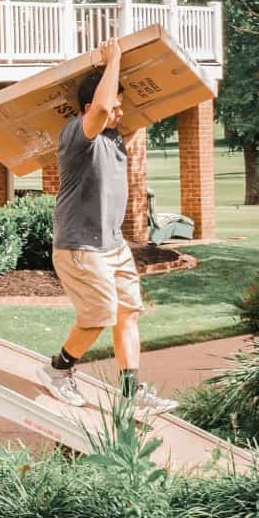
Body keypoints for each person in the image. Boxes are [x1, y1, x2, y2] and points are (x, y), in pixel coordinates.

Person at [37, 37, 178, 418]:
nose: (117, 113)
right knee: (99, 316)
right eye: (114, 108)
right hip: (80, 246)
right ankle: (57, 369)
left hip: (112, 246)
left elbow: (138, 111)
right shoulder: (76, 138)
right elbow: (101, 104)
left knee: (128, 312)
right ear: (88, 109)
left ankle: (131, 393)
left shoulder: (115, 138)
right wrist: (113, 58)